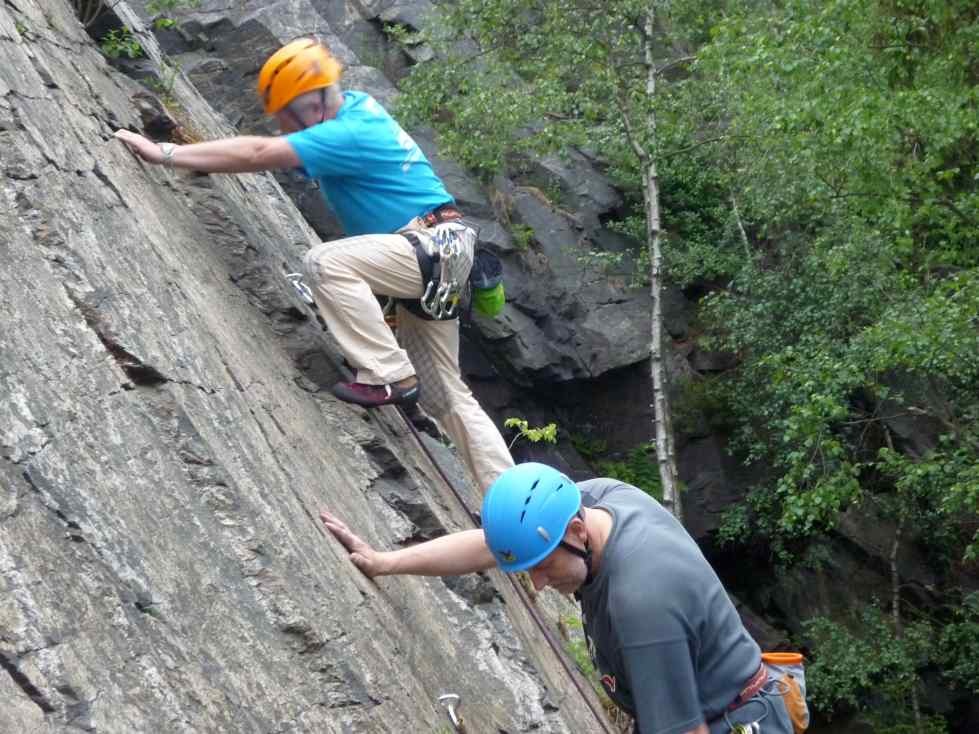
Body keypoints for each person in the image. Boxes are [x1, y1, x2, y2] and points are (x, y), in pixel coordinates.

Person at [114, 38, 514, 491]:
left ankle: (386, 374)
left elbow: (258, 155)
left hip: (427, 247)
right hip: (439, 253)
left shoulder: (350, 131)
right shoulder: (356, 110)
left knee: (326, 263)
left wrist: (163, 153)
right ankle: (509, 498)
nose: (282, 125)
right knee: (448, 398)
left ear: (312, 102)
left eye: (286, 113)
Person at [321, 462, 810, 734]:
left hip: (729, 721)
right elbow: (492, 545)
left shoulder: (640, 602)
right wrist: (385, 561)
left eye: (542, 568)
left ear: (576, 532)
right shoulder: (596, 501)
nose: (537, 584)